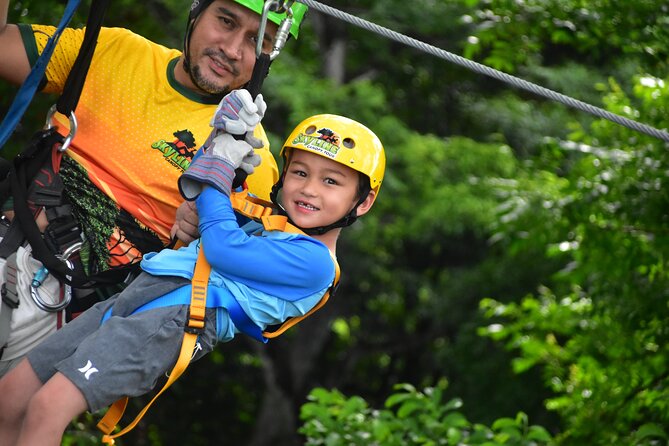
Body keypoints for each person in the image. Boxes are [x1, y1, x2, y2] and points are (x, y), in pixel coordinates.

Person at [0, 88, 386, 445]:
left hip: (170, 323)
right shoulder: (269, 226)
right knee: (12, 395)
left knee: (49, 406)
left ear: (362, 202)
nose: (309, 189)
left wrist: (219, 171)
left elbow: (221, 246)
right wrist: (222, 142)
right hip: (139, 299)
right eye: (300, 173)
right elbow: (206, 192)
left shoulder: (315, 263)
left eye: (331, 181)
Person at [0, 0, 308, 374]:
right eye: (225, 21)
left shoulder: (248, 160)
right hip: (11, 244)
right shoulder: (115, 52)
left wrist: (197, 230)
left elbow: (229, 287)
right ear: (196, 11)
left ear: (269, 57)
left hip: (71, 316)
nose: (232, 49)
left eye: (256, 42)